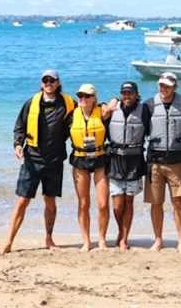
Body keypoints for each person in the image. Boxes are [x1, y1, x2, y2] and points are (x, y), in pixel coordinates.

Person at [0, 70, 76, 255]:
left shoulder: (68, 103)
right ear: (41, 84)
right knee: (22, 201)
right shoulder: (31, 103)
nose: (49, 83)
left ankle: (49, 238)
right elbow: (20, 126)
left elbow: (87, 111)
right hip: (32, 158)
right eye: (45, 80)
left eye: (52, 80)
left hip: (55, 159)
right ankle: (8, 241)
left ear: (58, 83)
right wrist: (18, 144)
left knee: (50, 201)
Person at [144, 71, 181, 254]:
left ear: (175, 87)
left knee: (178, 202)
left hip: (176, 162)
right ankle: (158, 239)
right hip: (154, 162)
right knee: (156, 203)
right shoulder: (148, 105)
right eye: (162, 85)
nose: (164, 89)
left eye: (168, 86)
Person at [105, 81, 150, 252]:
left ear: (137, 94)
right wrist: (107, 109)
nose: (127, 96)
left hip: (134, 161)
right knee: (117, 205)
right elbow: (99, 123)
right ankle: (120, 231)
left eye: (130, 93)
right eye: (124, 93)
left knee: (129, 202)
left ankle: (124, 238)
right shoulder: (112, 108)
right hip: (115, 160)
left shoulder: (144, 110)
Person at [67, 83, 111, 252]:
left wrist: (108, 102)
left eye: (87, 96)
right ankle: (86, 240)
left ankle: (101, 239)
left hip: (100, 160)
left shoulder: (102, 112)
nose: (83, 99)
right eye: (80, 96)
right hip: (80, 160)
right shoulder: (71, 115)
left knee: (102, 204)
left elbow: (117, 100)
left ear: (94, 99)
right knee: (84, 204)